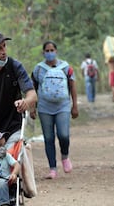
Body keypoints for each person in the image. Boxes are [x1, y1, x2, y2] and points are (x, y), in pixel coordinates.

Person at [30, 40, 79, 179]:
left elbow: (72, 86)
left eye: (52, 50)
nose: (50, 53)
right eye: (47, 50)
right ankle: (52, 168)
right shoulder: (38, 69)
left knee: (63, 135)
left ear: (56, 51)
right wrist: (32, 108)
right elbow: (32, 89)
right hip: (45, 108)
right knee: (48, 138)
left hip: (62, 106)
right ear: (43, 52)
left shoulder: (66, 67)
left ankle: (65, 156)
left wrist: (74, 106)